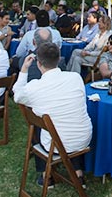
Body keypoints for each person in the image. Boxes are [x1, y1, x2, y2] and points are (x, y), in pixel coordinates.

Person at [13, 42, 92, 186]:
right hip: (83, 138)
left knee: (38, 125)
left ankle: (46, 176)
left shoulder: (34, 87)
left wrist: (24, 69)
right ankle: (77, 172)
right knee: (65, 118)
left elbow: (17, 96)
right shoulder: (75, 78)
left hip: (58, 144)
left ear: (38, 63)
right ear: (59, 59)